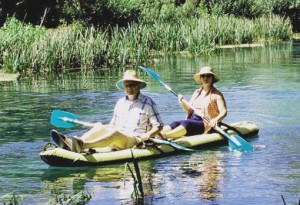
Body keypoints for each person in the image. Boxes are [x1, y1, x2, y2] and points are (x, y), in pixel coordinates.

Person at [51, 69, 163, 153]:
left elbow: (159, 126)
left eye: (132, 85)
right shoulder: (120, 103)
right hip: (120, 135)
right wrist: (100, 126)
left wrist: (148, 134)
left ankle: (83, 145)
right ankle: (73, 144)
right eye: (126, 85)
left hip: (134, 140)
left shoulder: (148, 103)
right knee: (100, 127)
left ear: (138, 86)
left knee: (115, 133)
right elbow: (113, 125)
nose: (129, 88)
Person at [161, 66, 227, 139]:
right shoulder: (196, 92)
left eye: (208, 76)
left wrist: (216, 120)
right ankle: (157, 134)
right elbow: (189, 111)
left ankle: (165, 136)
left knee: (186, 123)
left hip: (207, 123)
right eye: (203, 76)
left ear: (212, 78)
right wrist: (181, 102)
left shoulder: (217, 95)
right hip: (193, 119)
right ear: (200, 78)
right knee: (175, 123)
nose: (205, 78)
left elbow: (224, 112)